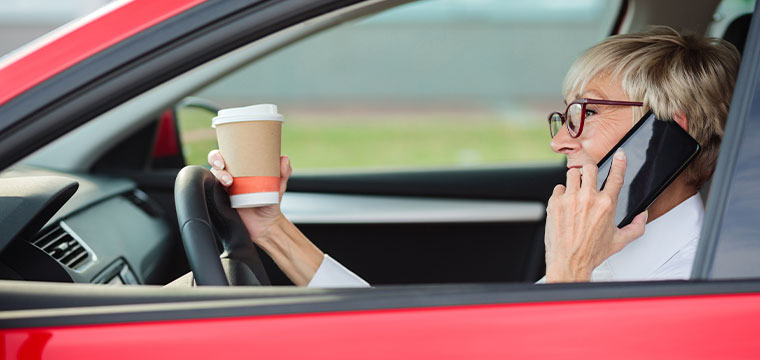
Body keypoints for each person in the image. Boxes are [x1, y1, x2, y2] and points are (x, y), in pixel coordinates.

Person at [207, 26, 740, 286]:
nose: (559, 142)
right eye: (564, 117)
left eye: (588, 114)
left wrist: (567, 275)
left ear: (671, 133)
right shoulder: (615, 236)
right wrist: (271, 227)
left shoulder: (697, 276)